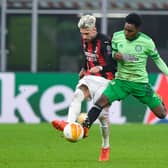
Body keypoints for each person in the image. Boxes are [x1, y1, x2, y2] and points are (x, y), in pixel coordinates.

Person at [81, 13, 168, 132]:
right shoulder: (117, 36)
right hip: (121, 82)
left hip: (140, 84)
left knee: (162, 114)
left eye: (130, 31)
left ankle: (158, 99)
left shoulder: (147, 42)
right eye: (125, 29)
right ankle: (84, 128)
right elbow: (111, 55)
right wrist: (115, 56)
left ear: (137, 29)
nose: (126, 33)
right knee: (100, 102)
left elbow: (158, 60)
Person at [52, 14, 117, 161]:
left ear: (94, 29)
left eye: (87, 33)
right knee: (77, 95)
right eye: (82, 34)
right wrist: (83, 67)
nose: (84, 37)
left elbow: (113, 65)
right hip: (90, 77)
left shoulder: (105, 41)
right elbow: (86, 56)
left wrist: (99, 67)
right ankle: (68, 125)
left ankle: (105, 147)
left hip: (106, 80)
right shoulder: (84, 40)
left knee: (103, 117)